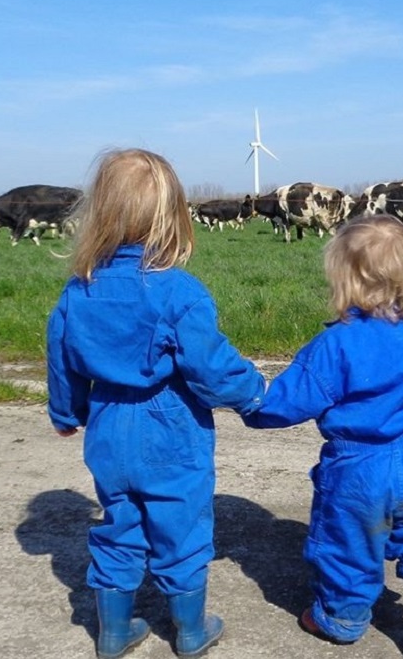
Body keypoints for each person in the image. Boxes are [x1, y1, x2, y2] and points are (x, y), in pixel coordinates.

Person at [46, 148, 265, 659]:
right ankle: (190, 632)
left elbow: (61, 357)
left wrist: (67, 412)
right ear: (173, 218)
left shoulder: (78, 291)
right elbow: (211, 367)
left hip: (108, 425)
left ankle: (114, 633)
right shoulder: (179, 293)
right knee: (180, 524)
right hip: (171, 427)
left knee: (119, 525)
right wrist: (252, 392)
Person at [243, 214, 403, 658]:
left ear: (344, 281)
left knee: (346, 543)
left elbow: (288, 402)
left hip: (357, 468)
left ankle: (342, 619)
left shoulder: (335, 345)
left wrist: (253, 407)